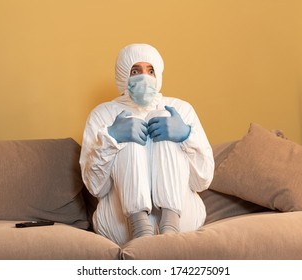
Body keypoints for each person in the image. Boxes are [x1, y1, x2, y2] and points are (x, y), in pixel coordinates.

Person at [79, 43, 214, 245]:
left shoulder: (180, 109)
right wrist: (112, 138)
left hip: (184, 226)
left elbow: (202, 180)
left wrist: (186, 135)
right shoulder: (102, 114)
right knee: (129, 132)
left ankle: (170, 224)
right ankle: (140, 227)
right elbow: (97, 188)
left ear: (158, 73)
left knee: (163, 116)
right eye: (135, 71)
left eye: (151, 70)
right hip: (120, 229)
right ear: (123, 75)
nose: (145, 77)